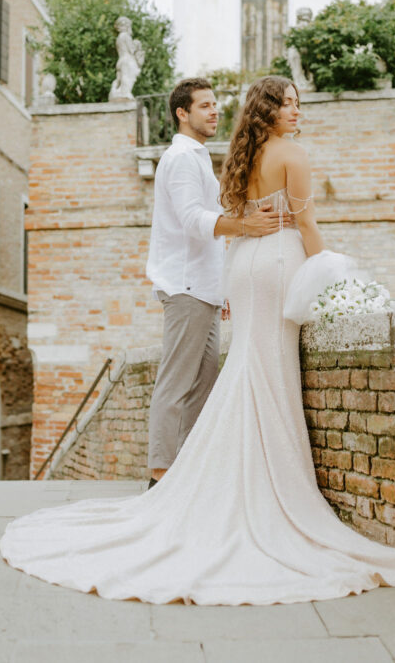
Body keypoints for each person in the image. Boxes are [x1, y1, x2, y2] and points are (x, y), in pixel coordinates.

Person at [0, 75, 395, 606]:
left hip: (236, 272)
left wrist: (235, 256)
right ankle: (168, 479)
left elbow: (232, 214)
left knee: (229, 372)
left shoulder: (234, 158)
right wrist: (336, 281)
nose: (297, 111)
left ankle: (193, 479)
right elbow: (287, 222)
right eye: (289, 104)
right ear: (185, 112)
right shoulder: (251, 155)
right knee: (234, 373)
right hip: (244, 266)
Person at [144, 78, 283, 488]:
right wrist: (246, 226)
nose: (214, 111)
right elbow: (192, 220)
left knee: (201, 386)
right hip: (185, 287)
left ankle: (185, 473)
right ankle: (159, 478)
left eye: (215, 104)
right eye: (204, 105)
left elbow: (206, 227)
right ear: (181, 113)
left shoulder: (198, 157)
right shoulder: (182, 159)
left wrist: (221, 288)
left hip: (203, 289)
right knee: (175, 384)